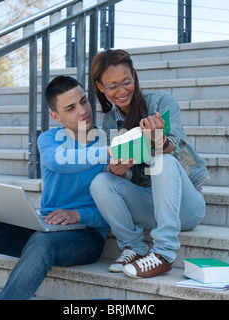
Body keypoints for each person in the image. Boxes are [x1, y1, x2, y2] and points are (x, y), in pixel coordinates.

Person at [0, 76, 110, 300]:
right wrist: (107, 153)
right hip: (45, 227)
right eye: (70, 108)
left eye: (84, 101)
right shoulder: (49, 139)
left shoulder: (107, 141)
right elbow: (57, 161)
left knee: (42, 242)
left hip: (87, 237)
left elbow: (118, 205)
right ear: (55, 116)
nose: (82, 111)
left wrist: (79, 214)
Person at [89, 49, 209, 279]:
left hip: (186, 207)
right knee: (101, 181)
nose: (122, 91)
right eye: (112, 86)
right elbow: (121, 168)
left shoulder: (162, 102)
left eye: (126, 81)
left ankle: (164, 254)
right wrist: (119, 171)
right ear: (101, 87)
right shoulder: (108, 122)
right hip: (150, 205)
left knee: (163, 160)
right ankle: (134, 247)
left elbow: (174, 147)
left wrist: (159, 140)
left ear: (134, 75)